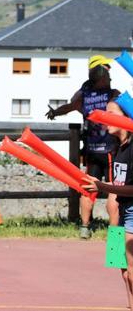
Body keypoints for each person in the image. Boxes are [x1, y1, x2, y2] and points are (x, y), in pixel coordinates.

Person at [45, 55, 120, 239]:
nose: (110, 76)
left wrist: (55, 112)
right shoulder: (113, 95)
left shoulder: (84, 95)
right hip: (110, 149)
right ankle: (114, 233)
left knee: (88, 187)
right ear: (102, 73)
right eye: (107, 72)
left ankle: (85, 227)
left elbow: (70, 105)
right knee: (113, 189)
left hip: (91, 149)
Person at [82, 100, 133, 310]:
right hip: (118, 212)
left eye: (110, 113)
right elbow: (120, 183)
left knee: (132, 269)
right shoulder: (116, 147)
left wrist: (103, 187)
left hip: (131, 211)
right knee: (122, 269)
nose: (104, 118)